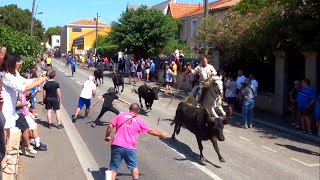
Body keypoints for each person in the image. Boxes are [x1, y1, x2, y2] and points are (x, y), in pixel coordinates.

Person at [1, 54, 46, 174]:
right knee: (4, 133)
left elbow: (24, 81)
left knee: (8, 131)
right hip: (6, 107)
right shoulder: (6, 75)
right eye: (17, 62)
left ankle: (6, 154)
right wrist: (39, 82)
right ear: (11, 63)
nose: (19, 64)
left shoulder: (14, 73)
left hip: (11, 109)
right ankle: (4, 159)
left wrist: (37, 79)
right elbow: (21, 88)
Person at [105, 103, 169, 180]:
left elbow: (110, 126)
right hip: (130, 148)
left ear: (129, 109)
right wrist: (160, 134)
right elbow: (150, 131)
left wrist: (107, 136)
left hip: (117, 145)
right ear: (138, 111)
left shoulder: (120, 115)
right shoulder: (139, 121)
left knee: (113, 169)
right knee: (133, 167)